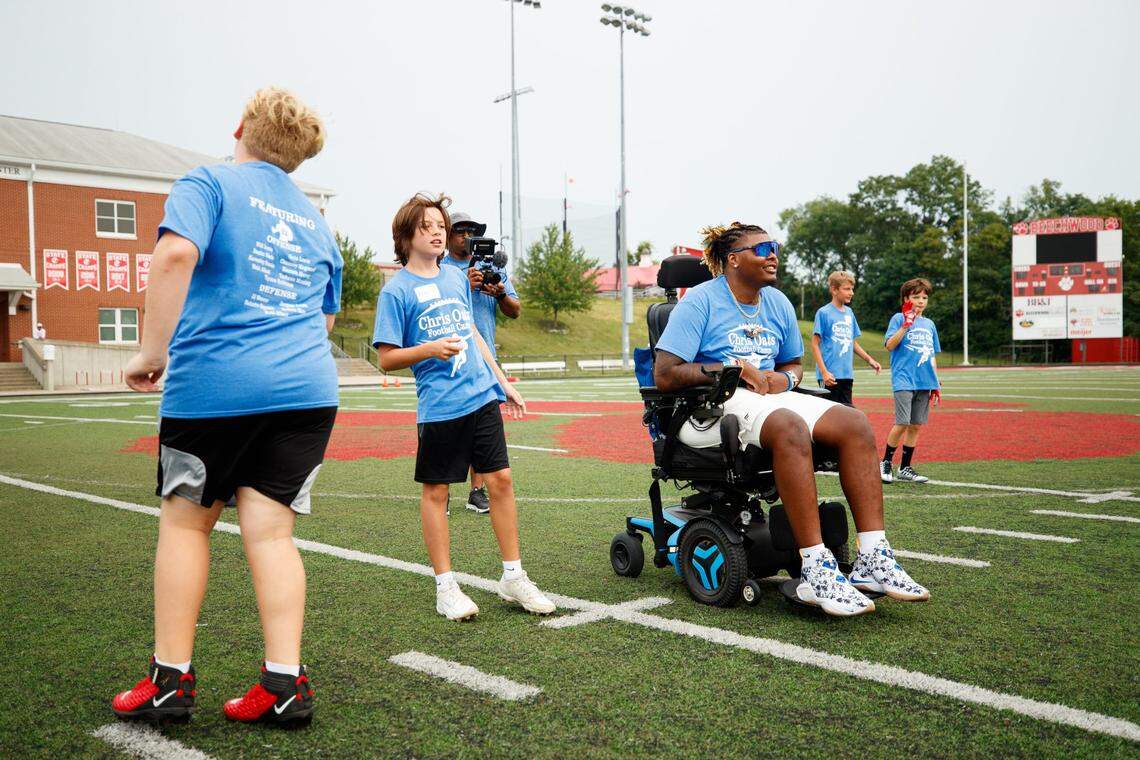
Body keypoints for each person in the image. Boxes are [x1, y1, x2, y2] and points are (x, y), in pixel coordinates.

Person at [111, 87, 341, 727]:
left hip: (217, 388)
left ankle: (170, 682)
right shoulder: (316, 220)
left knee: (186, 524)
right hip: (307, 392)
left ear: (240, 125)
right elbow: (322, 317)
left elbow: (176, 254)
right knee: (272, 535)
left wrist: (149, 351)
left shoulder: (208, 182)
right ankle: (285, 684)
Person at [653, 222, 929, 617]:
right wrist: (732, 367)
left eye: (774, 247)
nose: (772, 254)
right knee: (788, 424)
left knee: (855, 424)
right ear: (733, 260)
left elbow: (793, 366)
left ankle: (872, 557)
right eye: (761, 248)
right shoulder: (700, 301)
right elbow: (665, 374)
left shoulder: (778, 302)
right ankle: (816, 566)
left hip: (771, 397)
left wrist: (783, 379)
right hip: (709, 407)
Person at [372, 192, 554, 622]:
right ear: (405, 236)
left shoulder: (457, 278)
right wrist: (428, 349)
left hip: (481, 395)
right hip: (440, 406)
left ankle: (513, 576)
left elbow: (472, 332)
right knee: (437, 493)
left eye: (441, 226)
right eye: (428, 227)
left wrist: (502, 381)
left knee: (502, 481)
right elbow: (386, 358)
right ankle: (446, 586)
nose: (437, 234)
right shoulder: (396, 291)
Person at [441, 211, 520, 515]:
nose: (466, 236)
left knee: (481, 430)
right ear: (449, 236)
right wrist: (465, 285)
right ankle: (442, 490)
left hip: (486, 360)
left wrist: (500, 294)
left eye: (471, 231)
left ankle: (477, 491)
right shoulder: (441, 269)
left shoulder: (491, 268)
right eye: (460, 231)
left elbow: (515, 310)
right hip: (451, 357)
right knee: (447, 428)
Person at [881, 278, 942, 484]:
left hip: (924, 381)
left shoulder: (929, 324)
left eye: (924, 297)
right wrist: (906, 326)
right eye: (916, 297)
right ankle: (886, 462)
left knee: (916, 425)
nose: (921, 301)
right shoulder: (898, 318)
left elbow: (932, 354)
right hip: (904, 379)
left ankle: (905, 468)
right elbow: (889, 345)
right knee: (902, 422)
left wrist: (935, 383)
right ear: (906, 298)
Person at [811, 270, 881, 406]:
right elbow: (814, 345)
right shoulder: (823, 313)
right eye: (847, 289)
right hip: (830, 377)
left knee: (847, 414)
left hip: (847, 375)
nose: (851, 293)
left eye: (852, 289)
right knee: (830, 418)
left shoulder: (849, 313)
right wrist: (824, 372)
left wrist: (869, 360)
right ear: (834, 290)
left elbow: (852, 343)